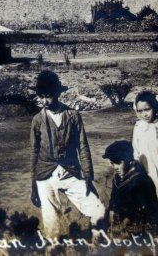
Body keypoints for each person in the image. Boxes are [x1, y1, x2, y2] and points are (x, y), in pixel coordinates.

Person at [30, 70, 106, 238]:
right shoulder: (37, 120)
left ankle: (97, 247)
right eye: (41, 96)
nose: (44, 101)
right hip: (44, 177)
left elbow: (83, 146)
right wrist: (33, 186)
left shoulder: (73, 115)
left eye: (48, 96)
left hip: (70, 171)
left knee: (98, 210)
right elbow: (34, 153)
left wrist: (88, 176)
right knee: (52, 226)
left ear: (57, 93)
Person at [103, 140, 158, 237]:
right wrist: (111, 210)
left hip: (142, 224)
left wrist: (123, 225)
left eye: (118, 163)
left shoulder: (140, 179)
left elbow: (141, 209)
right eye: (112, 163)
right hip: (123, 221)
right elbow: (113, 198)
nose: (114, 167)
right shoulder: (118, 179)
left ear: (129, 160)